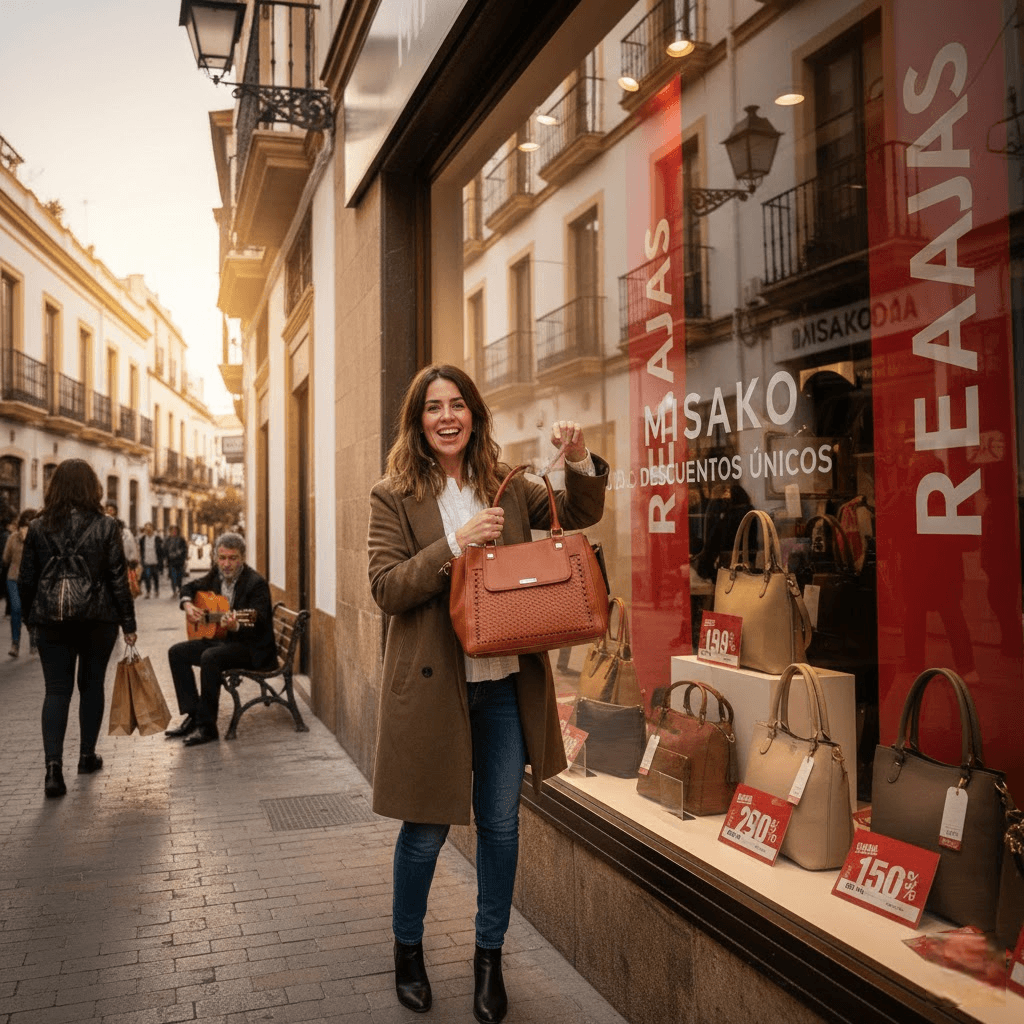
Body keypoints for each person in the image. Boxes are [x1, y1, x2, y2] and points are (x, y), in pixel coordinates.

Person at [367, 364, 608, 1023]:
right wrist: (453, 544)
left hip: (504, 688)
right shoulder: (392, 494)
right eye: (433, 407)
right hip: (434, 690)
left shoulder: (506, 482)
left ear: (474, 414)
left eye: (458, 405)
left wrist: (581, 457)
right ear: (417, 421)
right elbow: (385, 587)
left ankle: (488, 959)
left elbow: (581, 511)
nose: (447, 417)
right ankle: (408, 948)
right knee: (425, 830)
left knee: (502, 827)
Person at [17, 459, 137, 798]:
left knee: (56, 691)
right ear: (92, 488)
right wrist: (128, 623)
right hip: (98, 619)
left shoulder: (39, 527)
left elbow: (27, 579)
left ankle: (53, 769)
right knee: (92, 684)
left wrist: (31, 619)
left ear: (55, 488)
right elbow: (117, 578)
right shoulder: (106, 525)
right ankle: (86, 756)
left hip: (51, 620)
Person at [165, 531, 275, 746]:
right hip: (224, 640)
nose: (226, 564)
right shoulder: (215, 575)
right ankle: (193, 715)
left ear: (242, 558)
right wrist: (188, 604)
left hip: (252, 648)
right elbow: (188, 587)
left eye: (232, 558)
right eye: (222, 558)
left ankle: (207, 728)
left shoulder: (256, 583)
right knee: (176, 653)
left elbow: (260, 620)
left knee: (210, 657)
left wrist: (237, 625)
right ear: (216, 558)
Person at [3, 509, 37, 657]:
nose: (26, 527)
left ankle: (33, 642)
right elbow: (6, 558)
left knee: (31, 611)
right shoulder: (12, 538)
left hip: (31, 580)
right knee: (16, 609)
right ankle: (15, 644)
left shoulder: (37, 538)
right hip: (14, 578)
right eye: (24, 523)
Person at [138, 522, 164, 598]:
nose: (148, 530)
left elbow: (160, 551)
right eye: (146, 529)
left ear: (153, 529)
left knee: (155, 577)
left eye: (150, 528)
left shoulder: (157, 538)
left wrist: (161, 561)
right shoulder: (142, 539)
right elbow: (141, 550)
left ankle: (156, 590)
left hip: (155, 561)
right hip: (146, 561)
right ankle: (148, 592)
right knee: (147, 577)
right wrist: (141, 560)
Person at [164, 524, 188, 597]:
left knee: (179, 577)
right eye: (172, 531)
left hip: (179, 561)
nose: (173, 532)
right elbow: (165, 550)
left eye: (175, 531)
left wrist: (181, 555)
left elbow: (185, 549)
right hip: (171, 561)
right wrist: (166, 558)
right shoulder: (168, 540)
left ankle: (180, 588)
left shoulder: (181, 539)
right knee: (173, 576)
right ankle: (174, 591)